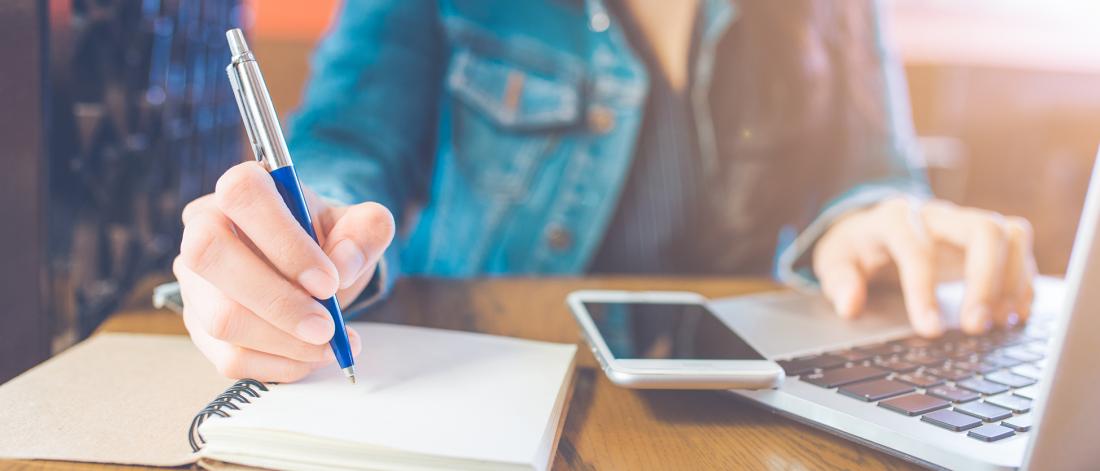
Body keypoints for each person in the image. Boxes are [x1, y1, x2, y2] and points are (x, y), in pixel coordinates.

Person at [173, 0, 1037, 382]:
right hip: (481, 376)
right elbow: (346, 143)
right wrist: (312, 228)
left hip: (738, 409)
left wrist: (875, 219)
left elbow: (871, 175)